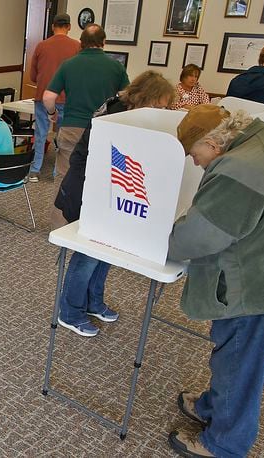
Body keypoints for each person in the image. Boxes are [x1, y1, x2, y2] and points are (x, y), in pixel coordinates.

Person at [167, 104, 264, 457]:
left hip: (257, 289)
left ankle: (224, 444)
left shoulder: (240, 167)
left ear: (213, 142)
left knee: (238, 366)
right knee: (256, 363)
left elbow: (200, 236)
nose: (195, 162)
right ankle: (211, 407)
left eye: (195, 154)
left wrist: (167, 238)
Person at [54, 70, 174, 337]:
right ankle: (70, 311)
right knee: (88, 253)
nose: (162, 112)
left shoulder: (130, 115)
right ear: (145, 98)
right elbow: (105, 159)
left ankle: (93, 302)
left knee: (108, 249)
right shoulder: (116, 116)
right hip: (88, 189)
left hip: (108, 192)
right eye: (159, 106)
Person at [43, 24, 129, 177]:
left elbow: (48, 97)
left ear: (81, 42)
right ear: (104, 41)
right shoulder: (116, 66)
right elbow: (126, 97)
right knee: (96, 177)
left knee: (66, 176)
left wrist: (52, 113)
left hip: (72, 127)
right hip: (102, 129)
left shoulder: (68, 65)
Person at [27, 13, 80, 182]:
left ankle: (35, 170)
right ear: (69, 26)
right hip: (66, 98)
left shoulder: (42, 46)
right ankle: (58, 172)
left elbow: (33, 76)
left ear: (52, 26)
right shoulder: (77, 46)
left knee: (41, 133)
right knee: (63, 136)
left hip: (43, 96)